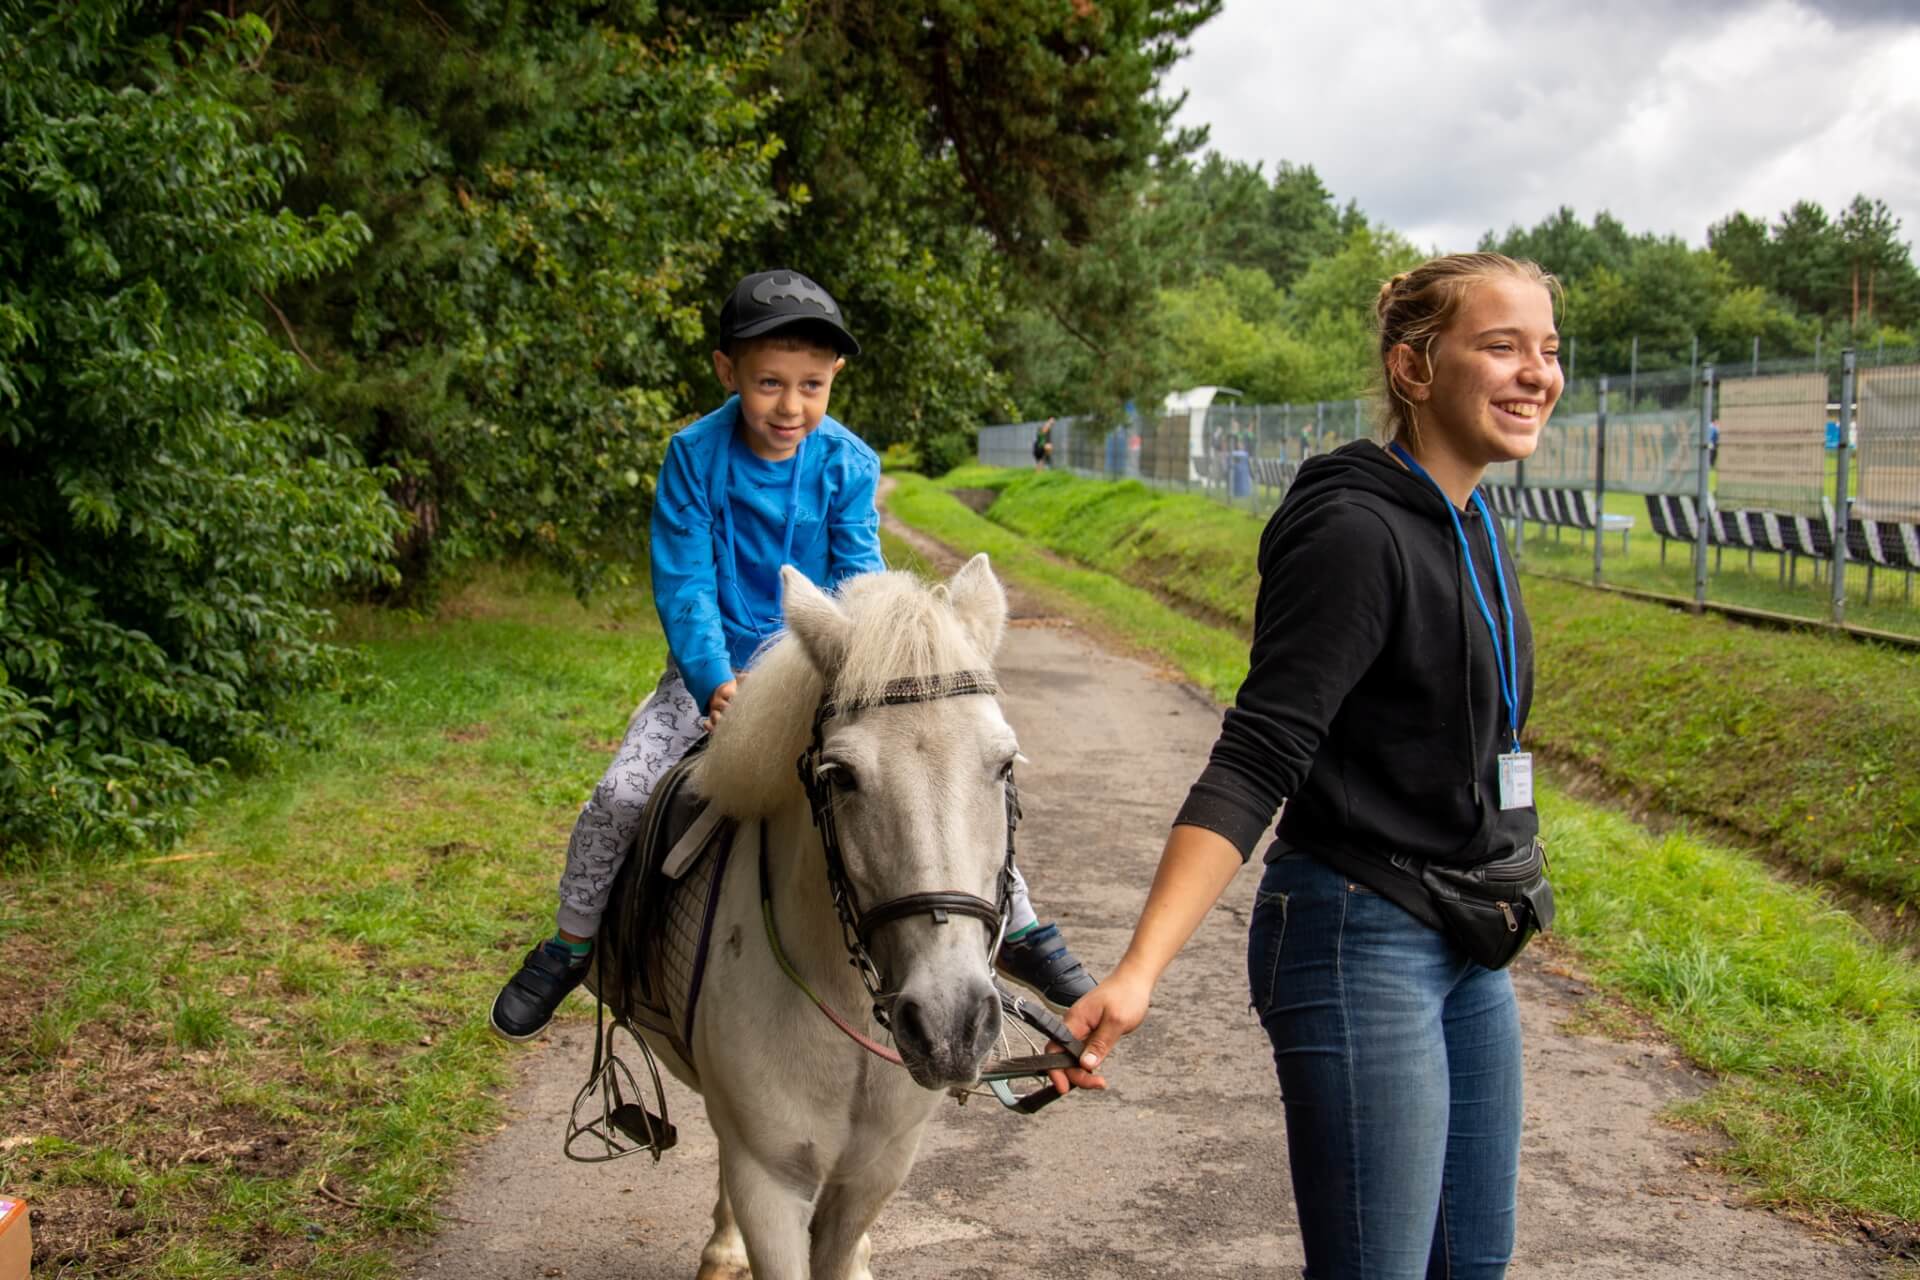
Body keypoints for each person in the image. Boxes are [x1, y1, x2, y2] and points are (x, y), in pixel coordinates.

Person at [1065, 252, 1562, 1278]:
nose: (1536, 374)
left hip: (1469, 932)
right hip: (1360, 931)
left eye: (1549, 350)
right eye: (1501, 346)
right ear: (1413, 370)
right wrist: (1140, 968)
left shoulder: (1471, 519)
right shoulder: (1354, 530)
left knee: (1472, 1261)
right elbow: (1259, 750)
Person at [491, 269, 1096, 1041]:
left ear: (834, 376)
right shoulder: (692, 457)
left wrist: (872, 662)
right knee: (620, 796)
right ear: (727, 371)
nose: (790, 405)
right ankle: (573, 940)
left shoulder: (848, 464)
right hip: (713, 676)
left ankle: (1016, 920)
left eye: (811, 384)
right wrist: (712, 680)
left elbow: (860, 576)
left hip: (820, 666)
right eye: (770, 382)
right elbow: (686, 583)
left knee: (936, 779)